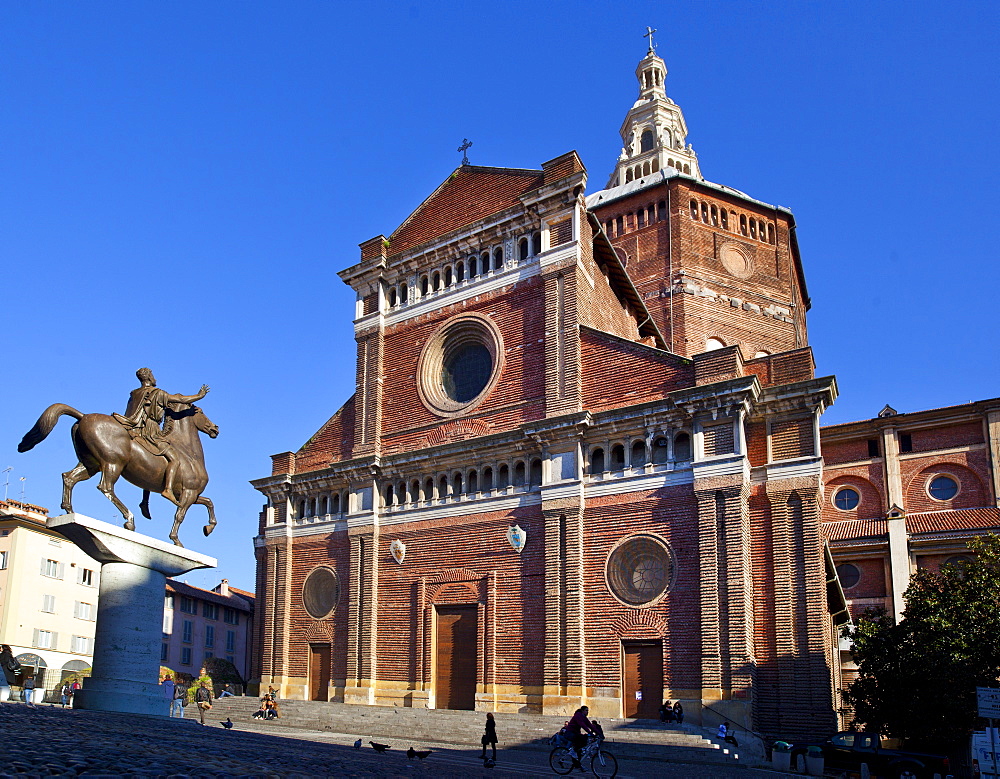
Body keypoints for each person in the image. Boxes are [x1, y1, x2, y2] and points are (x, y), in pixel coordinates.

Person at [112, 368, 209, 500]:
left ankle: (144, 501)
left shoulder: (134, 394)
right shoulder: (157, 393)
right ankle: (168, 489)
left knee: (150, 463)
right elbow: (179, 399)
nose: (154, 378)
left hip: (134, 430)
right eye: (152, 375)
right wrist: (199, 396)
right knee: (174, 459)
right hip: (151, 431)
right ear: (148, 378)